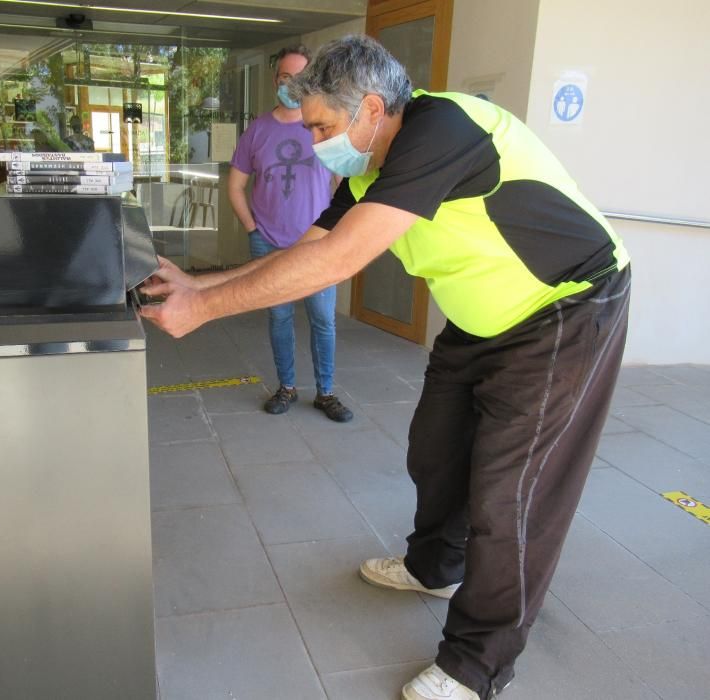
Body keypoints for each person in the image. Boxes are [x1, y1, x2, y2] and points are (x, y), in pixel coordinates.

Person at [140, 35, 631, 700]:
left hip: (566, 309)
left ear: (370, 107)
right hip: (483, 316)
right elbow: (302, 246)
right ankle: (435, 566)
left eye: (320, 126)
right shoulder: (371, 159)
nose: (315, 143)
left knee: (511, 496)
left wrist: (205, 309)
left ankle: (477, 664)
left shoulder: (443, 130)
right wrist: (203, 284)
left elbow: (339, 261)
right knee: (435, 450)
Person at [227, 45, 353, 421]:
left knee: (323, 320)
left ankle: (326, 393)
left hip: (317, 245)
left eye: (300, 78)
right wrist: (253, 230)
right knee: (279, 319)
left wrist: (336, 231)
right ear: (275, 81)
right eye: (286, 77)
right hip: (268, 242)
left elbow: (344, 185)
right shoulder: (258, 130)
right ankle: (286, 387)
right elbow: (235, 187)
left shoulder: (325, 127)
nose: (292, 84)